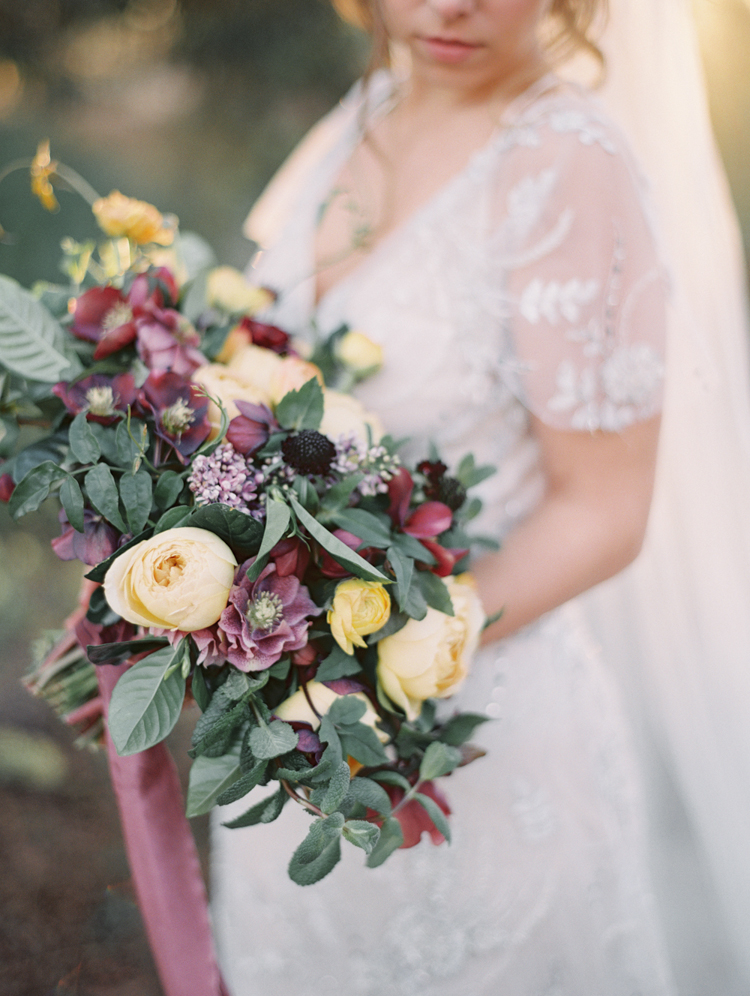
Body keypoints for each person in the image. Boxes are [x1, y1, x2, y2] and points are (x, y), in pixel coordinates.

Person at [211, 1, 750, 993]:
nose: (450, 6)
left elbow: (603, 510)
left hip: (470, 752)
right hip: (289, 740)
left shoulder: (569, 166)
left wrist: (371, 648)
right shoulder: (362, 111)